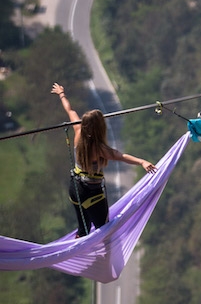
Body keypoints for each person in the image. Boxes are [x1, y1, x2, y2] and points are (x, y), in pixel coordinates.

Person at [51, 83, 157, 237]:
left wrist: (61, 94)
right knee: (105, 231)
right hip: (91, 192)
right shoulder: (99, 148)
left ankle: (78, 249)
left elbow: (70, 110)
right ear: (99, 128)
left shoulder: (78, 130)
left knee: (84, 229)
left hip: (75, 188)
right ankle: (106, 252)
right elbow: (121, 156)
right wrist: (142, 162)